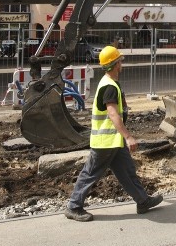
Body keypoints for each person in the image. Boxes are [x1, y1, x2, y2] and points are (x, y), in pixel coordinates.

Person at [65, 45, 163, 222]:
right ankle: (73, 206)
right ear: (115, 64)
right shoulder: (109, 86)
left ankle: (142, 201)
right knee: (90, 173)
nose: (122, 63)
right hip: (105, 141)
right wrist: (128, 136)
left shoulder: (109, 83)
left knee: (127, 171)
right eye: (120, 60)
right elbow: (112, 114)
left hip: (113, 142)